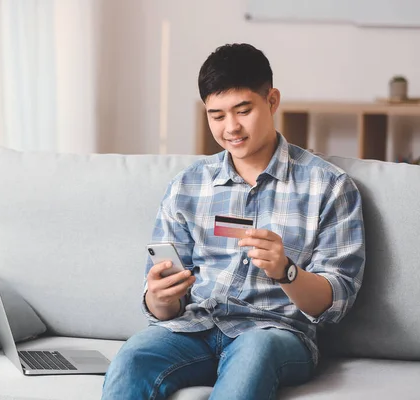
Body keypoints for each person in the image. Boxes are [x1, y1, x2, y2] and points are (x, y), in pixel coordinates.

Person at [101, 43, 365, 400]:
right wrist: (159, 298)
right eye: (217, 115)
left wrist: (286, 271)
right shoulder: (188, 185)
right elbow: (165, 306)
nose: (231, 128)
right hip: (195, 326)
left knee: (253, 355)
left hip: (275, 333)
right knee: (132, 357)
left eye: (243, 110)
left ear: (272, 101)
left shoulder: (329, 186)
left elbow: (336, 301)